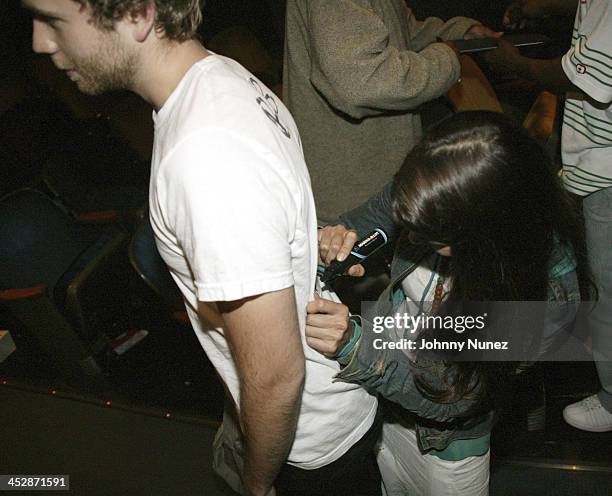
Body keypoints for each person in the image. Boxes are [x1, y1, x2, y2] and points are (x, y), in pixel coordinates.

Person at [21, 1, 381, 495]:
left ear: (139, 14)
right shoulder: (222, 76)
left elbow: (276, 377)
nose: (40, 41)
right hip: (323, 414)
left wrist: (256, 485)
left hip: (312, 445)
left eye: (55, 19)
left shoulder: (205, 153)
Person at [306, 112, 588, 495]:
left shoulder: (543, 303)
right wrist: (340, 239)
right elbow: (375, 216)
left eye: (429, 234)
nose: (411, 236)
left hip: (445, 445)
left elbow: (451, 395)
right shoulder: (441, 185)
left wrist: (357, 346)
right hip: (386, 400)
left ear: (483, 238)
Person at [484, 0, 612, 432]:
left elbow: (590, 77)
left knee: (607, 292)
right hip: (594, 162)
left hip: (607, 168)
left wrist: (515, 62)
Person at [283, 0, 501, 222]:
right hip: (352, 197)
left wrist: (456, 33)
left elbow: (399, 30)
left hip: (384, 181)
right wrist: (445, 60)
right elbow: (361, 83)